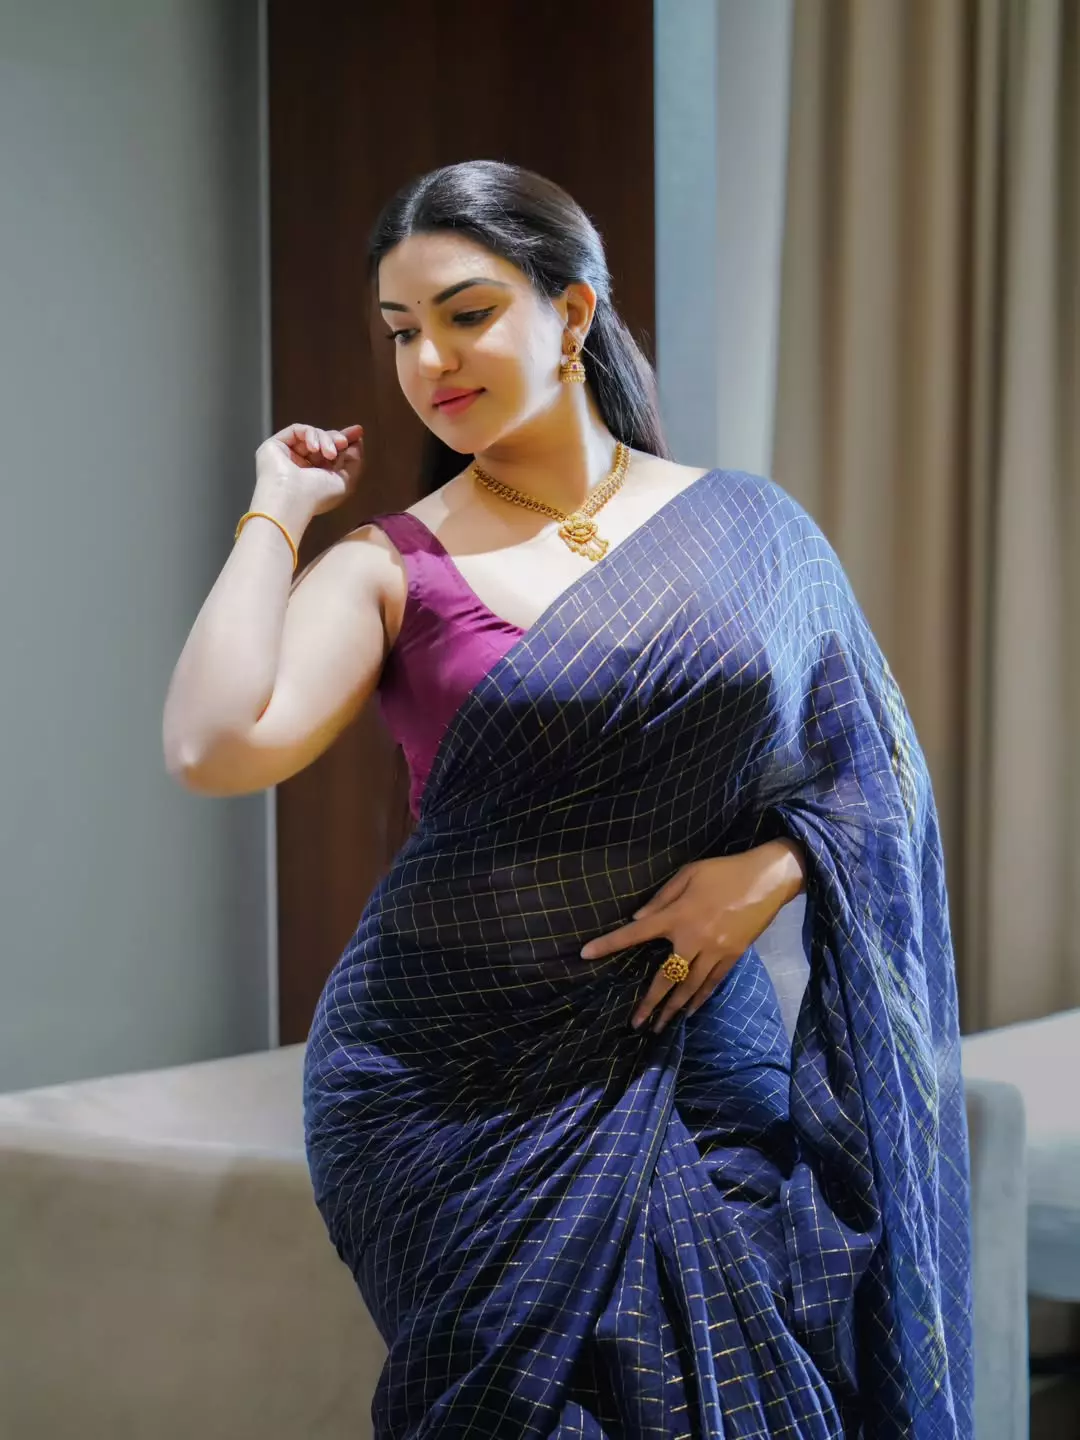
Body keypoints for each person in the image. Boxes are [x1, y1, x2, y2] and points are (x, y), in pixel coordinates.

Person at [163, 160, 973, 1439]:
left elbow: (880, 772)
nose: (430, 359)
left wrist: (770, 872)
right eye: (401, 332)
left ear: (573, 313)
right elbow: (213, 745)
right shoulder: (392, 565)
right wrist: (276, 508)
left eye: (467, 313)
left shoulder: (750, 529)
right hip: (443, 1084)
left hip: (694, 1050)